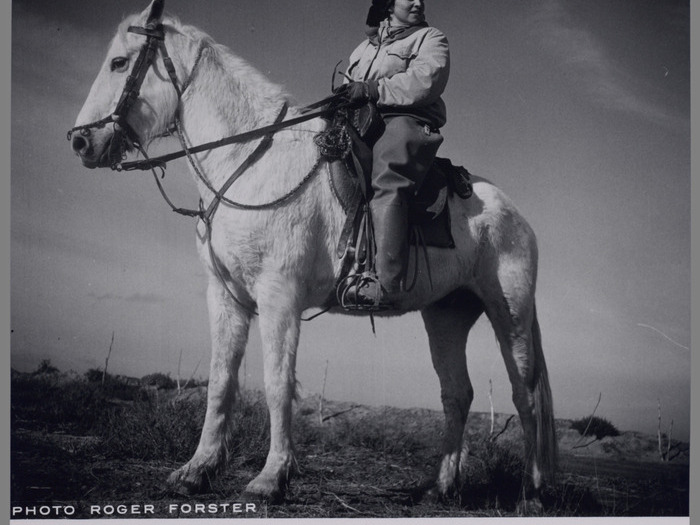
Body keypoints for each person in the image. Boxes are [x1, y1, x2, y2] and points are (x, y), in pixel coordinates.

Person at [337, 0, 450, 308]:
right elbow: (352, 85)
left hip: (407, 119)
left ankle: (386, 284)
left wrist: (374, 90)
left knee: (388, 173)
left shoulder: (431, 38)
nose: (417, 1)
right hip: (366, 119)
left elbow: (426, 81)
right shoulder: (362, 49)